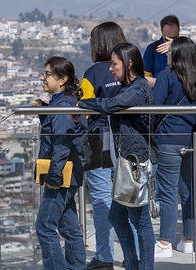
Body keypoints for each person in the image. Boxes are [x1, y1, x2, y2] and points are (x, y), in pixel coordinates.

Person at [78, 42, 155, 270]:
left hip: (135, 162)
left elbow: (113, 104)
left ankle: (143, 266)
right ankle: (134, 263)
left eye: (114, 64)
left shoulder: (138, 88)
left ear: (129, 64)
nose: (110, 69)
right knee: (118, 217)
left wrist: (83, 103)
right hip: (127, 161)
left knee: (140, 221)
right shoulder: (129, 87)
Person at [152, 36, 196, 258]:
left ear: (177, 55)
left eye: (170, 51)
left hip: (168, 138)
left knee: (167, 192)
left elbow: (155, 108)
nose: (166, 54)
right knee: (189, 191)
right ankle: (189, 239)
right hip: (193, 138)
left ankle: (165, 242)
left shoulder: (166, 76)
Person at [79, 21, 127, 270]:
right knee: (129, 198)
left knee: (101, 200)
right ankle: (134, 255)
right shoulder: (130, 71)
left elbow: (84, 109)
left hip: (98, 141)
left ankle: (105, 256)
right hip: (128, 139)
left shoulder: (92, 73)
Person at [35, 56, 88, 270]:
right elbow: (58, 131)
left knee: (45, 225)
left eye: (47, 74)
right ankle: (77, 267)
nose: (42, 78)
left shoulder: (63, 106)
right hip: (69, 173)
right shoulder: (61, 103)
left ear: (63, 79)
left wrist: (54, 178)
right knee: (69, 228)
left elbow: (62, 144)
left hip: (61, 174)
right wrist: (43, 111)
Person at [143, 14, 180, 88]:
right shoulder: (152, 49)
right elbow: (145, 78)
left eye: (174, 38)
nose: (170, 42)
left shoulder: (186, 49)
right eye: (167, 39)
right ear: (161, 31)